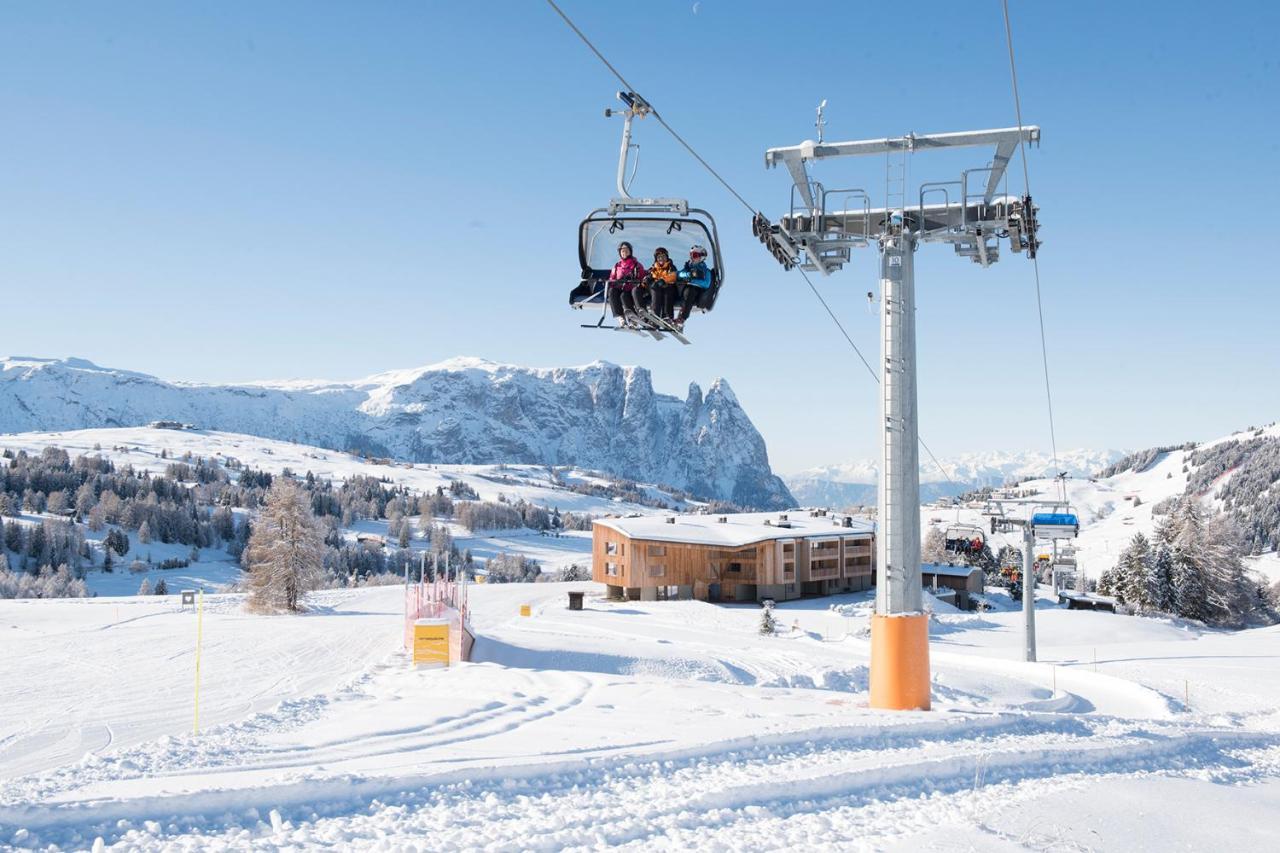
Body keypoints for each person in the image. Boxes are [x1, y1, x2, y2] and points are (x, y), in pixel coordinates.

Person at [606, 242, 646, 326]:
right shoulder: (617, 266)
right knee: (612, 291)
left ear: (630, 252)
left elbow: (642, 278)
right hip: (620, 288)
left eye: (627, 251)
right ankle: (620, 316)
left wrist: (634, 279)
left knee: (624, 296)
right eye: (622, 251)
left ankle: (633, 318)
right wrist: (615, 283)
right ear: (620, 253)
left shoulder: (636, 265)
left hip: (631, 289)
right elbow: (612, 278)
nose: (624, 253)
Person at [674, 244, 712, 329]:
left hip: (695, 293)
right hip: (683, 290)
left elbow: (706, 283)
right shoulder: (688, 267)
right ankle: (664, 314)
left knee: (690, 292)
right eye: (691, 255)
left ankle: (682, 318)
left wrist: (692, 281)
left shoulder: (706, 271)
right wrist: (688, 274)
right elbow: (679, 274)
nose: (692, 257)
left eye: (694, 255)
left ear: (701, 257)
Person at [644, 247, 680, 321]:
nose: (661, 259)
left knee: (668, 291)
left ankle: (667, 316)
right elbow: (648, 275)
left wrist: (662, 281)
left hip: (668, 288)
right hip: (657, 290)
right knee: (654, 288)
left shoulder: (671, 267)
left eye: (663, 256)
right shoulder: (653, 268)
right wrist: (646, 279)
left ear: (667, 257)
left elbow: (673, 276)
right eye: (659, 257)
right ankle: (655, 316)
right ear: (656, 259)